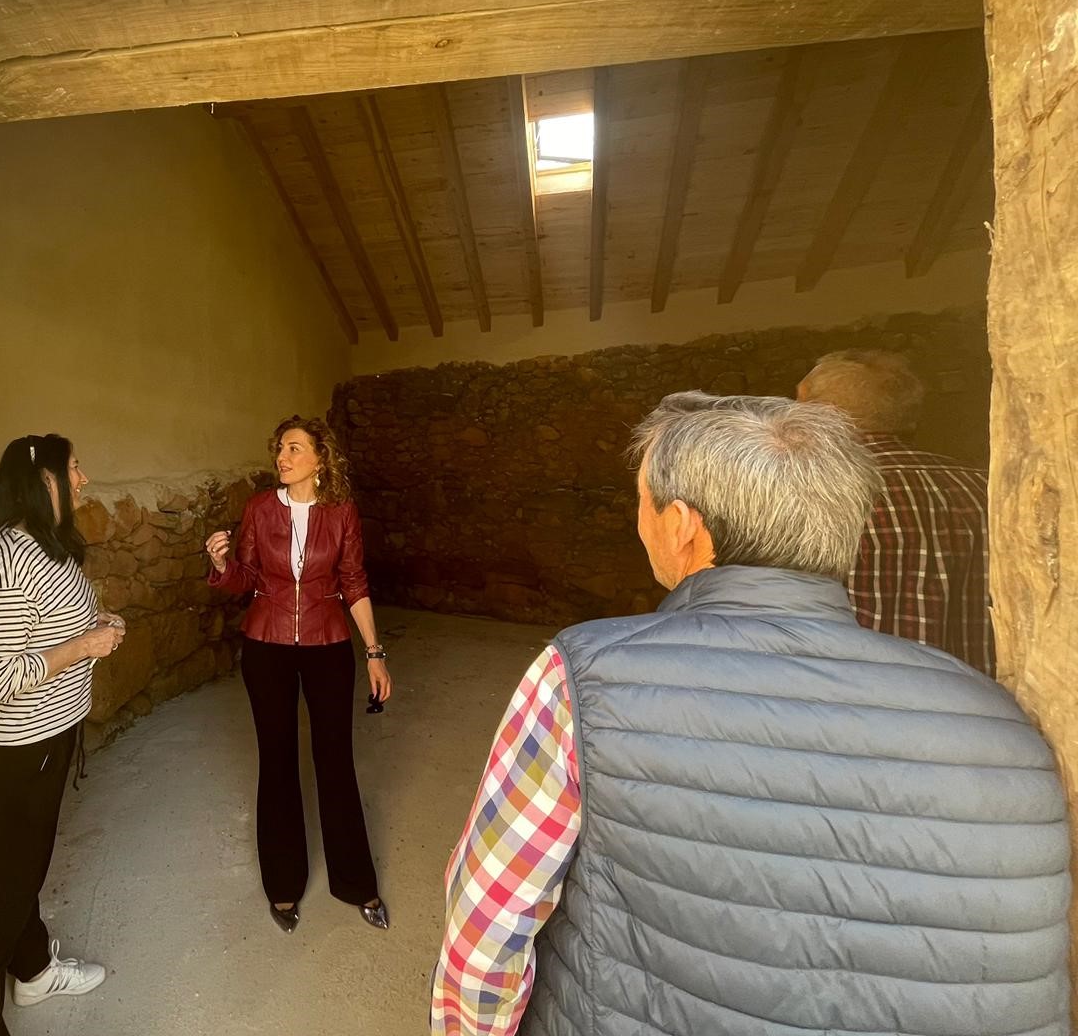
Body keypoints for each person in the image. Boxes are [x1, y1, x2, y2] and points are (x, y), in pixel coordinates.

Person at [431, 393, 1068, 1036]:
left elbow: (490, 921)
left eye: (643, 503)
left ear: (683, 525)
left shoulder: (586, 678)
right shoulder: (1001, 724)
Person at [0, 433, 126, 1035]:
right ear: (44, 480)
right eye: (73, 468)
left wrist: (96, 624)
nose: (83, 478)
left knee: (21, 875)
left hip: (48, 742)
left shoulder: (49, 546)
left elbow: (49, 625)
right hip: (17, 754)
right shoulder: (10, 558)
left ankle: (32, 971)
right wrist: (83, 646)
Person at [204, 414, 393, 933]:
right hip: (266, 647)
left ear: (319, 458)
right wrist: (221, 566)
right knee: (277, 760)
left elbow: (353, 582)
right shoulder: (259, 508)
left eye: (293, 448)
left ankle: (355, 882)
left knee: (336, 761)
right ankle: (282, 885)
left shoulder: (341, 512)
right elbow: (246, 577)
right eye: (279, 448)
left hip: (328, 644)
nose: (282, 458)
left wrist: (374, 651)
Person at [796, 348, 993, 674]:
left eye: (800, 403)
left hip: (860, 694)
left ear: (827, 416)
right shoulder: (987, 488)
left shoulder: (809, 497)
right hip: (986, 695)